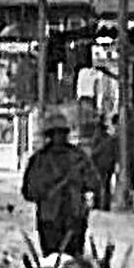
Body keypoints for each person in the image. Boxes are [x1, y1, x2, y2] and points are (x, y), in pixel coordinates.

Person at [20, 110, 95, 256]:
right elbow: (29, 192)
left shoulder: (78, 157)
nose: (59, 137)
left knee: (72, 262)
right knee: (52, 260)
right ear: (50, 135)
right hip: (50, 220)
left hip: (73, 217)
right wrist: (51, 190)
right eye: (56, 133)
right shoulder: (39, 160)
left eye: (62, 133)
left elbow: (93, 182)